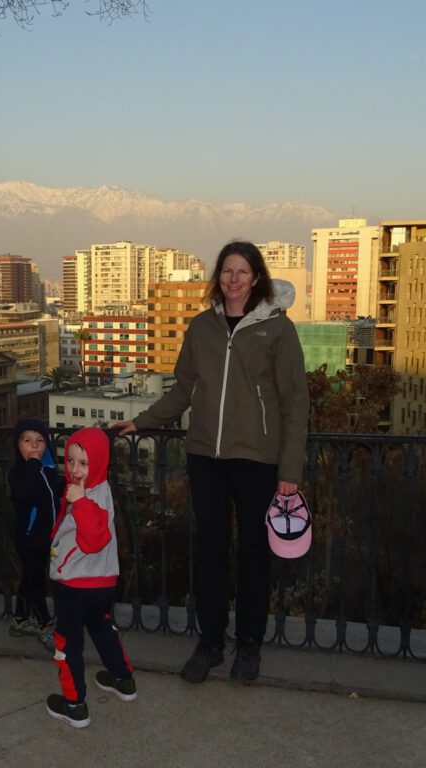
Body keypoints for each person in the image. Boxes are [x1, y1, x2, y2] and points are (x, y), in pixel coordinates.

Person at [114, 240, 309, 684]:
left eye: (242, 272)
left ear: (256, 278)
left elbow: (296, 403)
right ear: (217, 277)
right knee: (210, 553)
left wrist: (290, 473)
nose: (234, 279)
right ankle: (210, 643)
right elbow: (183, 389)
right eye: (226, 271)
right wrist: (141, 422)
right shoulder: (202, 327)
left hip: (258, 460)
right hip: (206, 456)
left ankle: (250, 645)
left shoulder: (277, 328)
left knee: (254, 554)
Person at [46, 426, 136, 728]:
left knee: (67, 643)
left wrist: (80, 501)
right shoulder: (101, 486)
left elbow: (94, 537)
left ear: (97, 463)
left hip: (75, 584)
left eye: (83, 463)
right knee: (102, 628)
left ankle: (74, 705)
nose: (74, 469)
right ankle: (122, 679)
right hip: (102, 582)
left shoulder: (89, 494)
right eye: (70, 461)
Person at [7, 418, 63, 651]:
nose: (34, 446)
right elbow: (23, 494)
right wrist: (31, 465)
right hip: (29, 536)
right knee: (37, 580)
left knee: (32, 577)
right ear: (17, 445)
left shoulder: (47, 468)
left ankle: (20, 619)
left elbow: (52, 492)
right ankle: (45, 625)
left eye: (40, 441)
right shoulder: (20, 472)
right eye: (27, 441)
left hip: (44, 534)